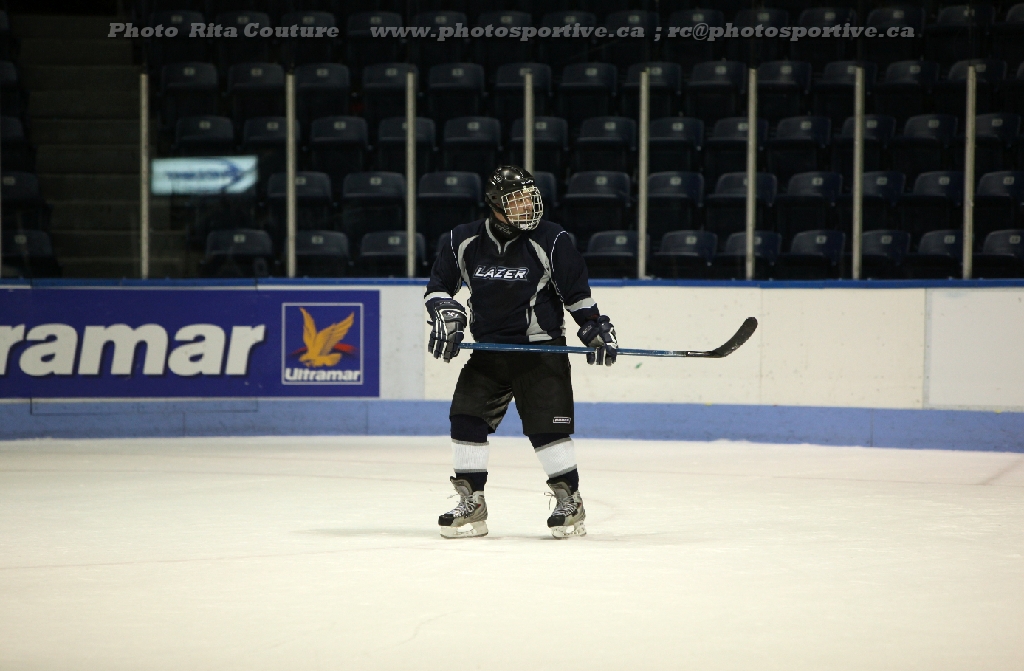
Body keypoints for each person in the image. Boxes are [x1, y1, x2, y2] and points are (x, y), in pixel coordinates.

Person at [423, 166, 618, 539]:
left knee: (548, 430)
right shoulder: (463, 240)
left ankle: (570, 500)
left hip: (540, 351)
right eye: (518, 200)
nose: (527, 205)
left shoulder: (552, 239)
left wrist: (593, 327)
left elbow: (576, 295)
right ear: (496, 204)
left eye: (530, 197)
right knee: (466, 418)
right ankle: (472, 501)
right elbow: (437, 288)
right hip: (489, 351)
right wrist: (445, 310)